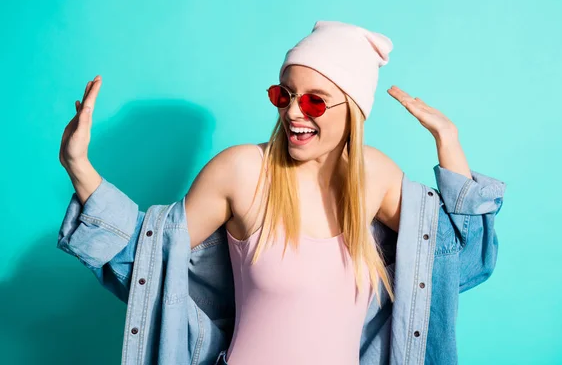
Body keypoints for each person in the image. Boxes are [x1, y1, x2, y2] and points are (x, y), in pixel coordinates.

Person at [59, 20, 505, 365]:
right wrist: (79, 167)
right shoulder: (240, 171)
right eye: (284, 94)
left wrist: (449, 143)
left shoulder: (376, 177)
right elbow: (149, 262)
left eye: (314, 100)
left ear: (352, 109)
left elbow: (456, 262)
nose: (294, 112)